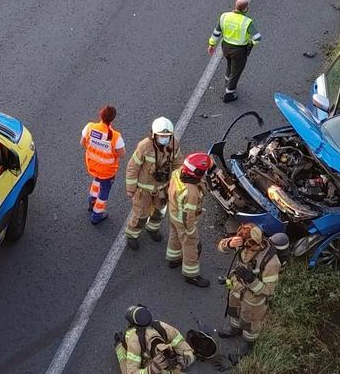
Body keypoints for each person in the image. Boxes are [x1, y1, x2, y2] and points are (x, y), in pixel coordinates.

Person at [217, 227, 287, 355]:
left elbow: (269, 290)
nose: (253, 249)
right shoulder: (242, 244)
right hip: (237, 288)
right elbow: (221, 247)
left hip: (253, 299)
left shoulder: (271, 263)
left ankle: (249, 344)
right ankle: (234, 329)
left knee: (250, 322)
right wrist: (229, 243)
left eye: (256, 246)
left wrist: (251, 280)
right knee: (234, 310)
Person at [114, 305, 196, 374]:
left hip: (148, 360)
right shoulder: (135, 341)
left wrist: (186, 359)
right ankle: (119, 345)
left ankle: (119, 345)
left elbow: (180, 342)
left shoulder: (162, 328)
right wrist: (152, 370)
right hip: (137, 350)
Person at [123, 117, 182, 250]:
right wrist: (130, 188)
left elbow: (178, 163)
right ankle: (132, 234)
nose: (165, 139)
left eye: (167, 136)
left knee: (160, 212)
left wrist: (178, 184)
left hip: (162, 188)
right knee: (141, 215)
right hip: (144, 190)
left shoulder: (174, 144)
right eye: (161, 136)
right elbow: (133, 167)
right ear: (154, 134)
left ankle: (152, 229)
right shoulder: (144, 146)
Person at [166, 152, 211, 288]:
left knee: (174, 236)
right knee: (191, 245)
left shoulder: (177, 172)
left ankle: (173, 259)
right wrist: (190, 232)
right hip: (183, 221)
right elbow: (188, 216)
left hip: (173, 212)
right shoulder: (191, 192)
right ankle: (191, 275)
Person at [208, 0, 262, 102]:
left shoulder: (224, 16)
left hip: (226, 47)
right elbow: (258, 38)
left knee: (229, 65)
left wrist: (211, 44)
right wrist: (251, 44)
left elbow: (216, 32)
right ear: (246, 8)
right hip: (239, 50)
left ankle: (227, 82)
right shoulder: (247, 22)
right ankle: (230, 93)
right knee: (236, 71)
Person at [82, 105, 125, 224]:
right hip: (107, 171)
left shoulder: (90, 127)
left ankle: (92, 201)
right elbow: (122, 154)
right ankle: (97, 215)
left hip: (93, 165)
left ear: (100, 115)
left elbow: (83, 142)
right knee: (104, 191)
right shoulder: (116, 136)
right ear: (112, 120)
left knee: (96, 181)